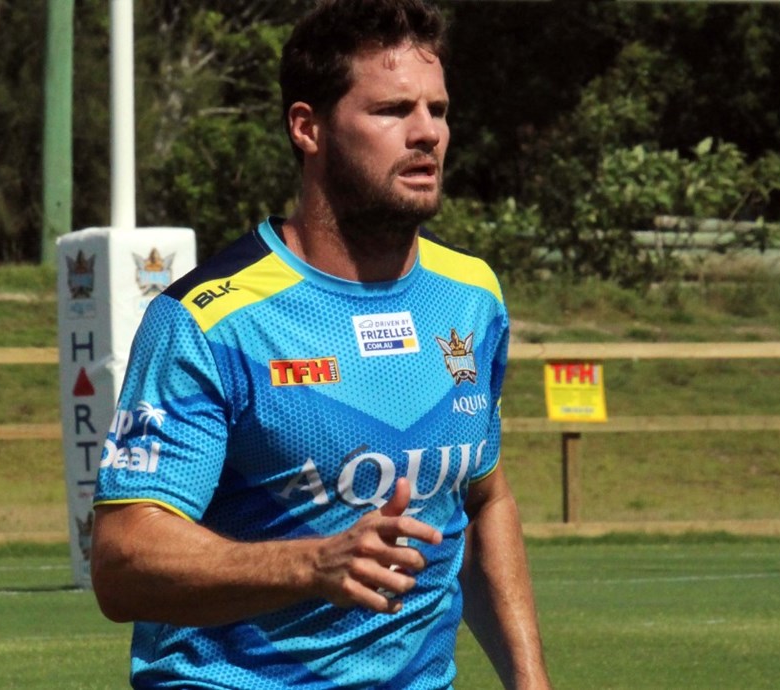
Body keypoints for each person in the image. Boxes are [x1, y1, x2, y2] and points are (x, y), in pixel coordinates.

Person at [90, 1, 551, 688]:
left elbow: (484, 499)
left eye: (438, 110)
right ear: (307, 127)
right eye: (392, 110)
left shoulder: (472, 297)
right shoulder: (209, 321)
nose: (427, 133)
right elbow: (122, 562)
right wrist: (310, 565)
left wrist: (531, 681)